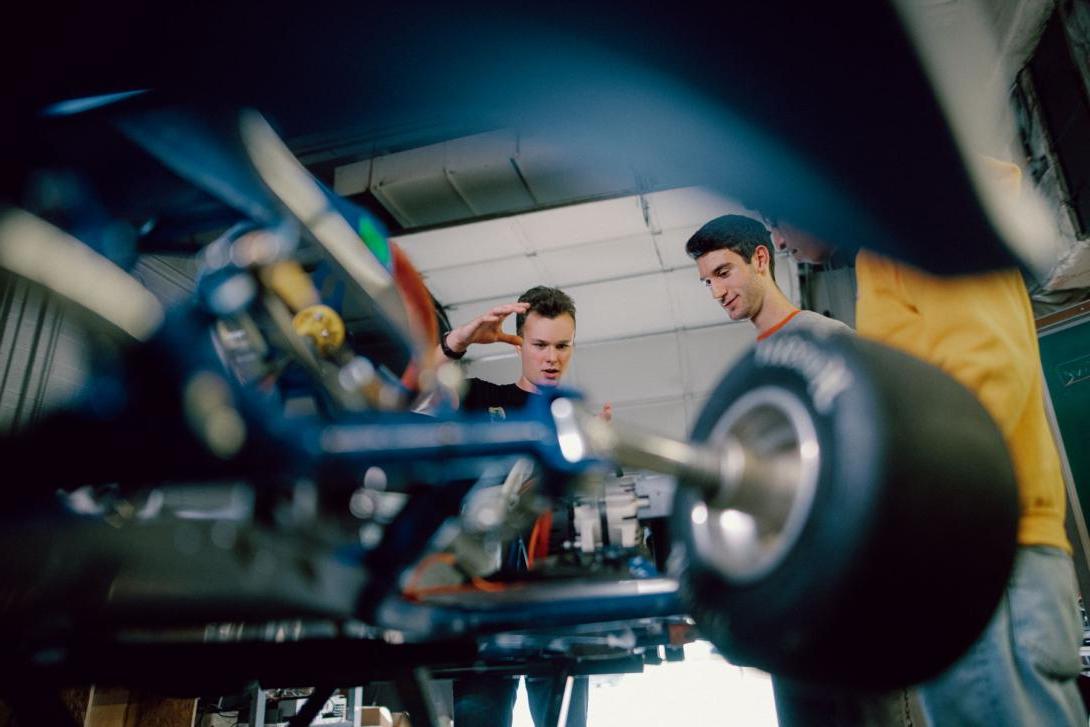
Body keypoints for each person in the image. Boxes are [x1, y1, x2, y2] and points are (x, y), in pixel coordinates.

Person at [765, 158, 1086, 726]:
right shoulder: (889, 247)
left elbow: (987, 373)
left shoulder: (912, 229)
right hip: (970, 551)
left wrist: (897, 505)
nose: (777, 239)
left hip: (984, 552)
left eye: (775, 215)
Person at [685, 215, 919, 727]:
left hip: (854, 604)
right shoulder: (761, 366)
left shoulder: (826, 339)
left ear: (761, 259)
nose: (716, 291)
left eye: (724, 272)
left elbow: (882, 464)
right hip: (795, 611)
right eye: (708, 281)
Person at [440, 285, 597, 727]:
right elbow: (407, 396)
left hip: (557, 605)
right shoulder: (477, 399)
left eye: (562, 346)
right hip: (484, 603)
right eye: (540, 345)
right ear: (519, 343)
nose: (552, 358)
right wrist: (459, 341)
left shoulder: (577, 421)